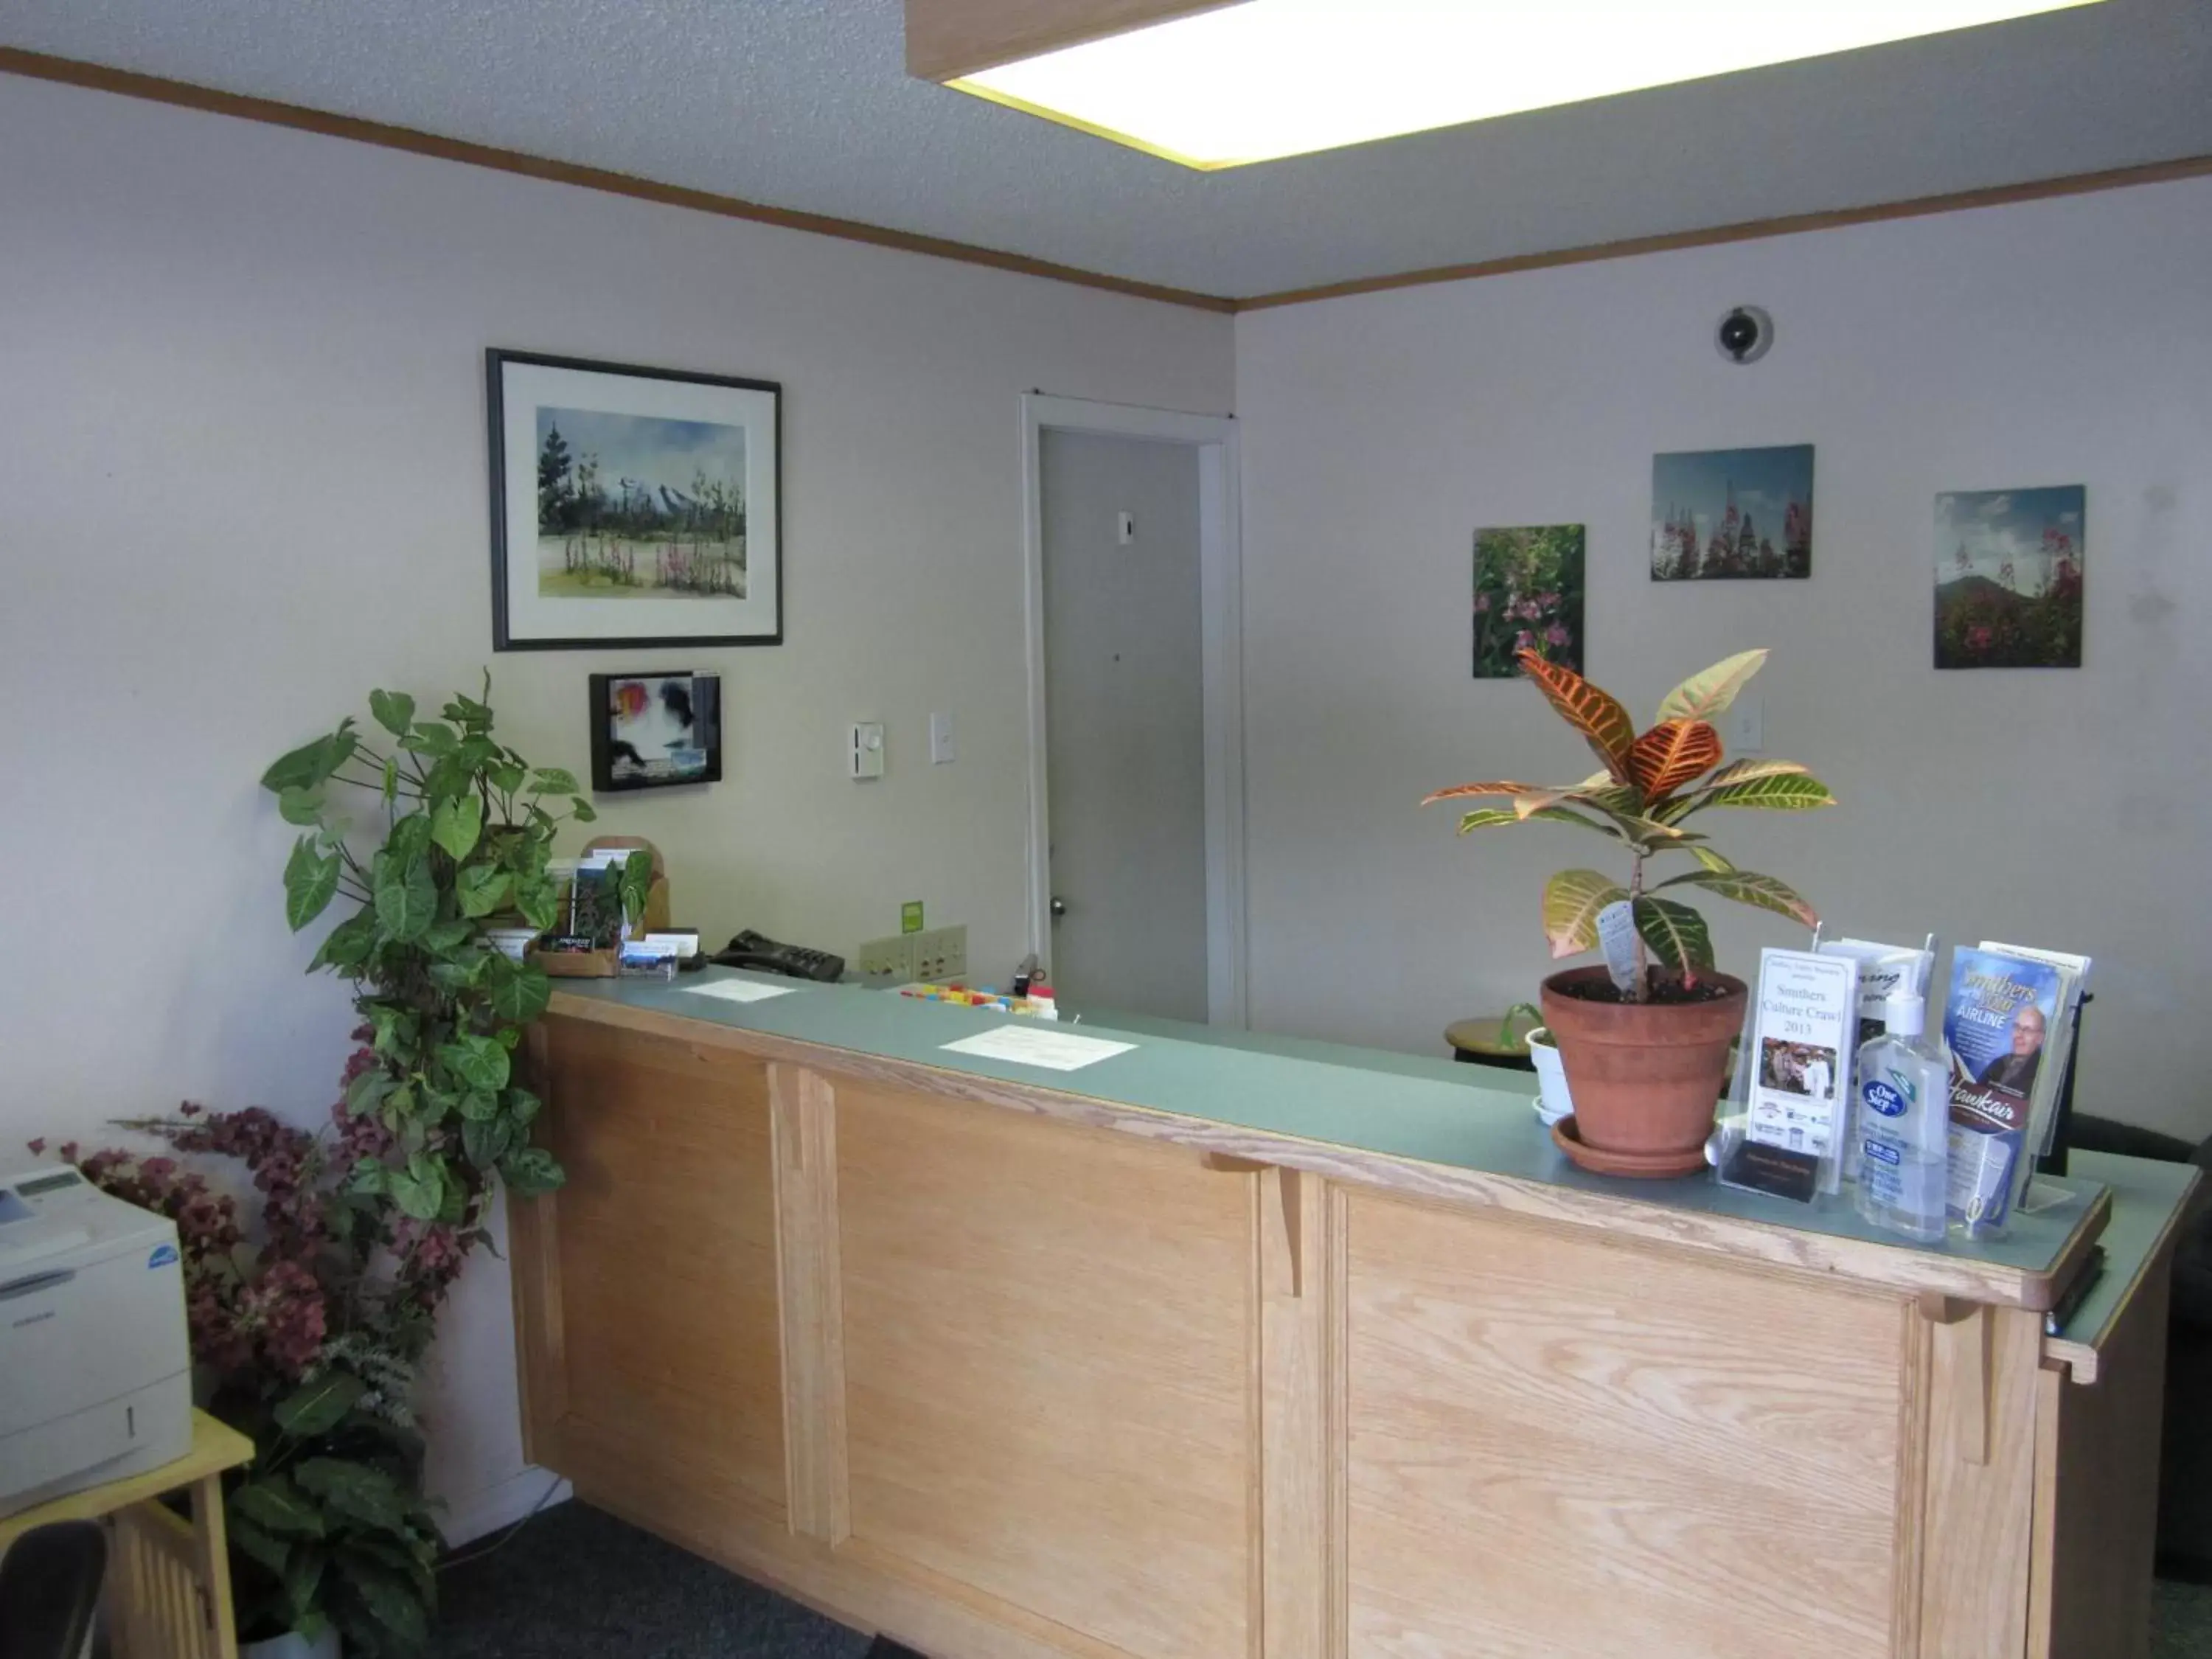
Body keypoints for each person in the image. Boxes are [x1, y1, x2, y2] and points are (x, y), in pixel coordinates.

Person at [1978, 1004, 2046, 1095]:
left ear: (2040, 1038)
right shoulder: (1998, 1064)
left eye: (2027, 1030)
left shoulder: (2042, 1075)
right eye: (2017, 1027)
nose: (2019, 1035)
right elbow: (1976, 1092)